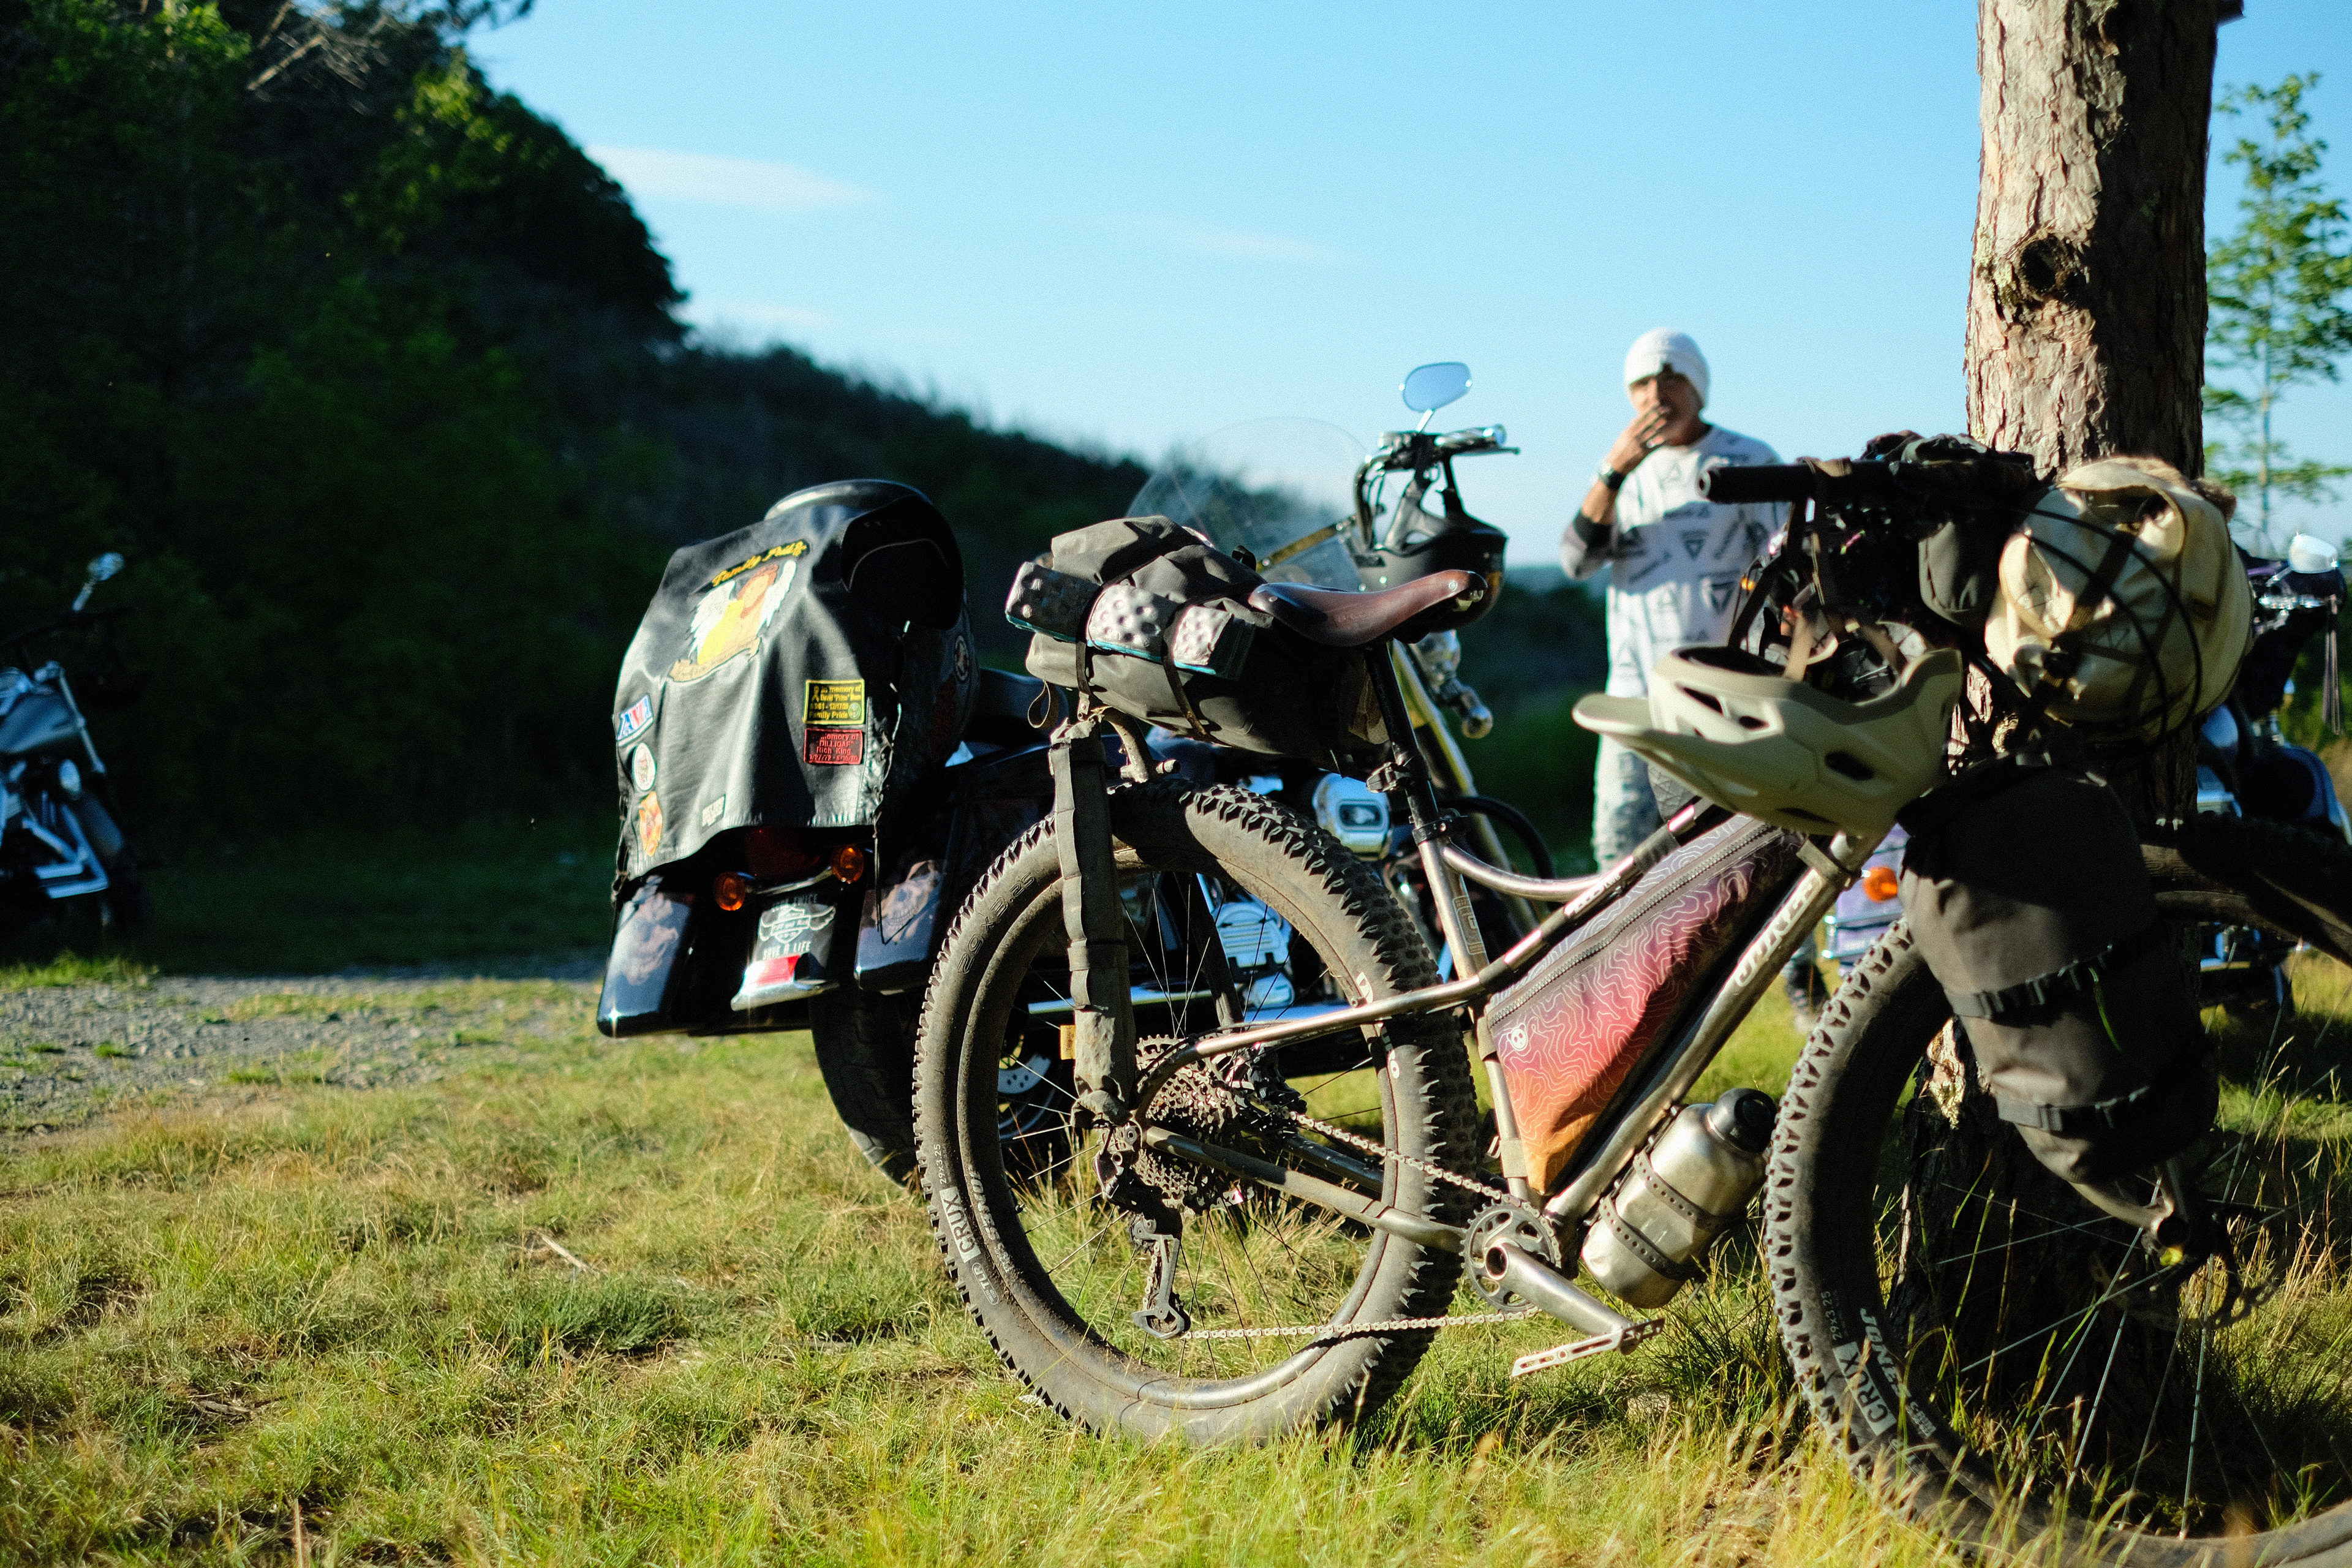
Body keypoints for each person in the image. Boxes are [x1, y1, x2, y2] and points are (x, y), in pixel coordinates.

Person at [1561, 330, 1828, 1025]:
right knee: (1619, 850)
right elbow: (1574, 560)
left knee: (1763, 840)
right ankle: (1628, 1008)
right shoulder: (1622, 473)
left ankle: (1800, 985)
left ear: (1698, 384)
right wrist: (1613, 470)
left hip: (1726, 691)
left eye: (1670, 378)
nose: (1655, 396)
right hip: (1636, 696)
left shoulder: (1746, 460)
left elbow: (1793, 566)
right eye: (1640, 385)